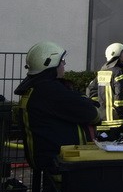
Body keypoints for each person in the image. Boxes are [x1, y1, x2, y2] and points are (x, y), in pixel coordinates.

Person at [14, 42, 99, 173]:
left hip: (54, 162)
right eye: (62, 61)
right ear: (50, 63)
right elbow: (91, 114)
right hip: (62, 166)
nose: (64, 64)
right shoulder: (50, 91)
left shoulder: (36, 88)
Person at [89, 42, 123, 132]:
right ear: (115, 54)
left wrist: (98, 106)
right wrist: (120, 111)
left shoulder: (101, 72)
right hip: (118, 119)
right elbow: (120, 93)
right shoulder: (118, 72)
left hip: (103, 118)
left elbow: (91, 90)